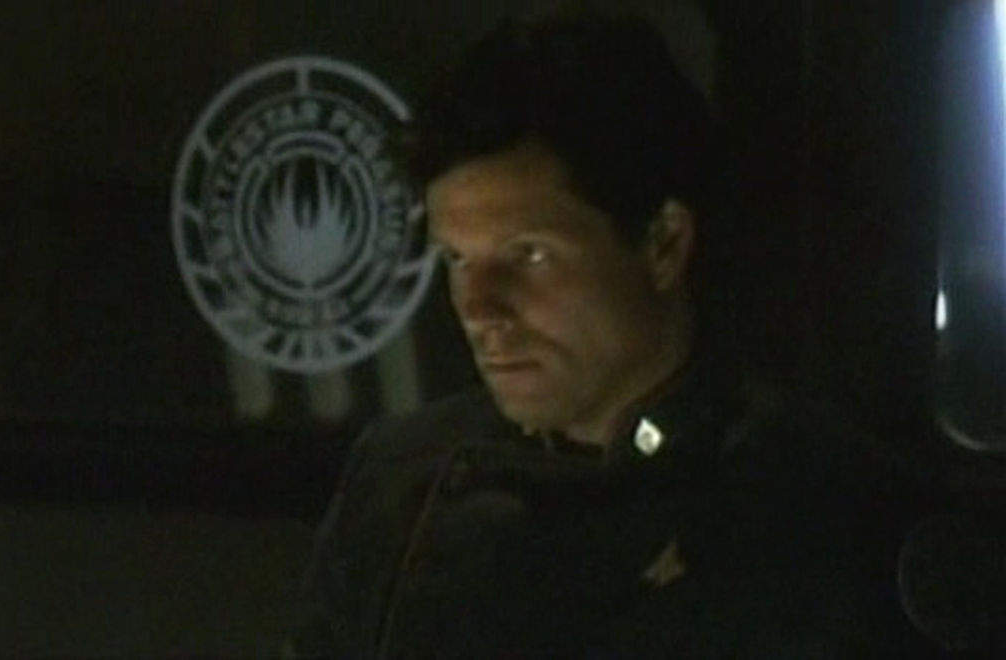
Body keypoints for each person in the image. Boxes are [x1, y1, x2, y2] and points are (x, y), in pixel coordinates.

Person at [286, 13, 921, 658]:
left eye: (529, 255)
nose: (479, 308)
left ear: (663, 244)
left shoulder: (826, 508)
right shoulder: (398, 481)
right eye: (457, 259)